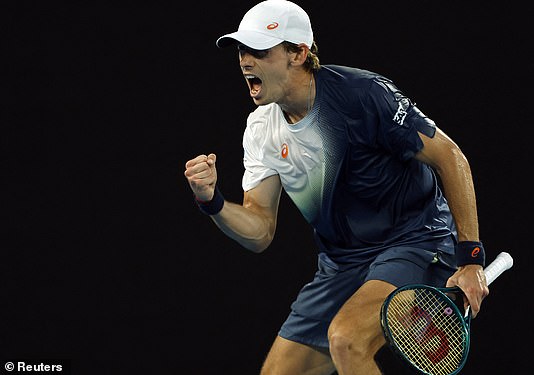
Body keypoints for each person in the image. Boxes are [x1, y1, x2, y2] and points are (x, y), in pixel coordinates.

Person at [184, 1, 489, 374]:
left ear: (299, 52)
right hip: (342, 264)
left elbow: (450, 157)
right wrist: (212, 201)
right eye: (242, 51)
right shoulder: (261, 129)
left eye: (260, 50)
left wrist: (470, 257)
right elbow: (260, 229)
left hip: (414, 241)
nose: (245, 61)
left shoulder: (364, 95)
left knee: (347, 340)